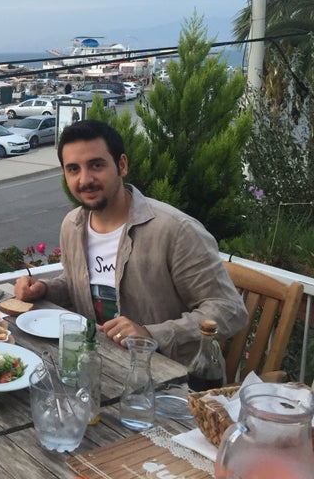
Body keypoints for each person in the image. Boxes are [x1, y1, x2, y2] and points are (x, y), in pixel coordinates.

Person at [14, 120, 247, 365]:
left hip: (172, 375)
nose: (85, 179)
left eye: (96, 165)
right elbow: (80, 283)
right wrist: (45, 289)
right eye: (73, 169)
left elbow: (229, 309)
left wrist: (150, 334)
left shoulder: (175, 231)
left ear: (122, 165)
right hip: (99, 364)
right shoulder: (72, 225)